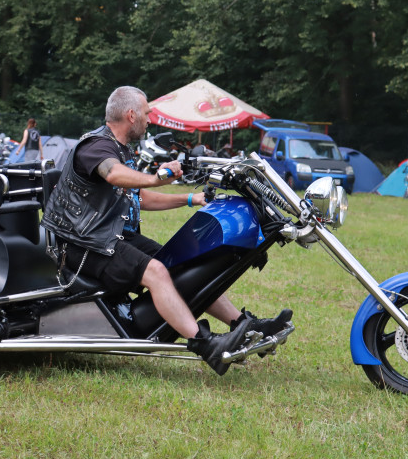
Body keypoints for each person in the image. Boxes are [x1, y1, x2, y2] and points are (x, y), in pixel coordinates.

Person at [42, 86, 291, 375]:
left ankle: (242, 324)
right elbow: (113, 173)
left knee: (180, 261)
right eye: (147, 114)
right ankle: (204, 343)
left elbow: (140, 198)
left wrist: (189, 199)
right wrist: (158, 176)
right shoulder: (97, 146)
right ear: (131, 114)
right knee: (157, 271)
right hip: (81, 243)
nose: (150, 120)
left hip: (108, 234)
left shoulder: (122, 150)